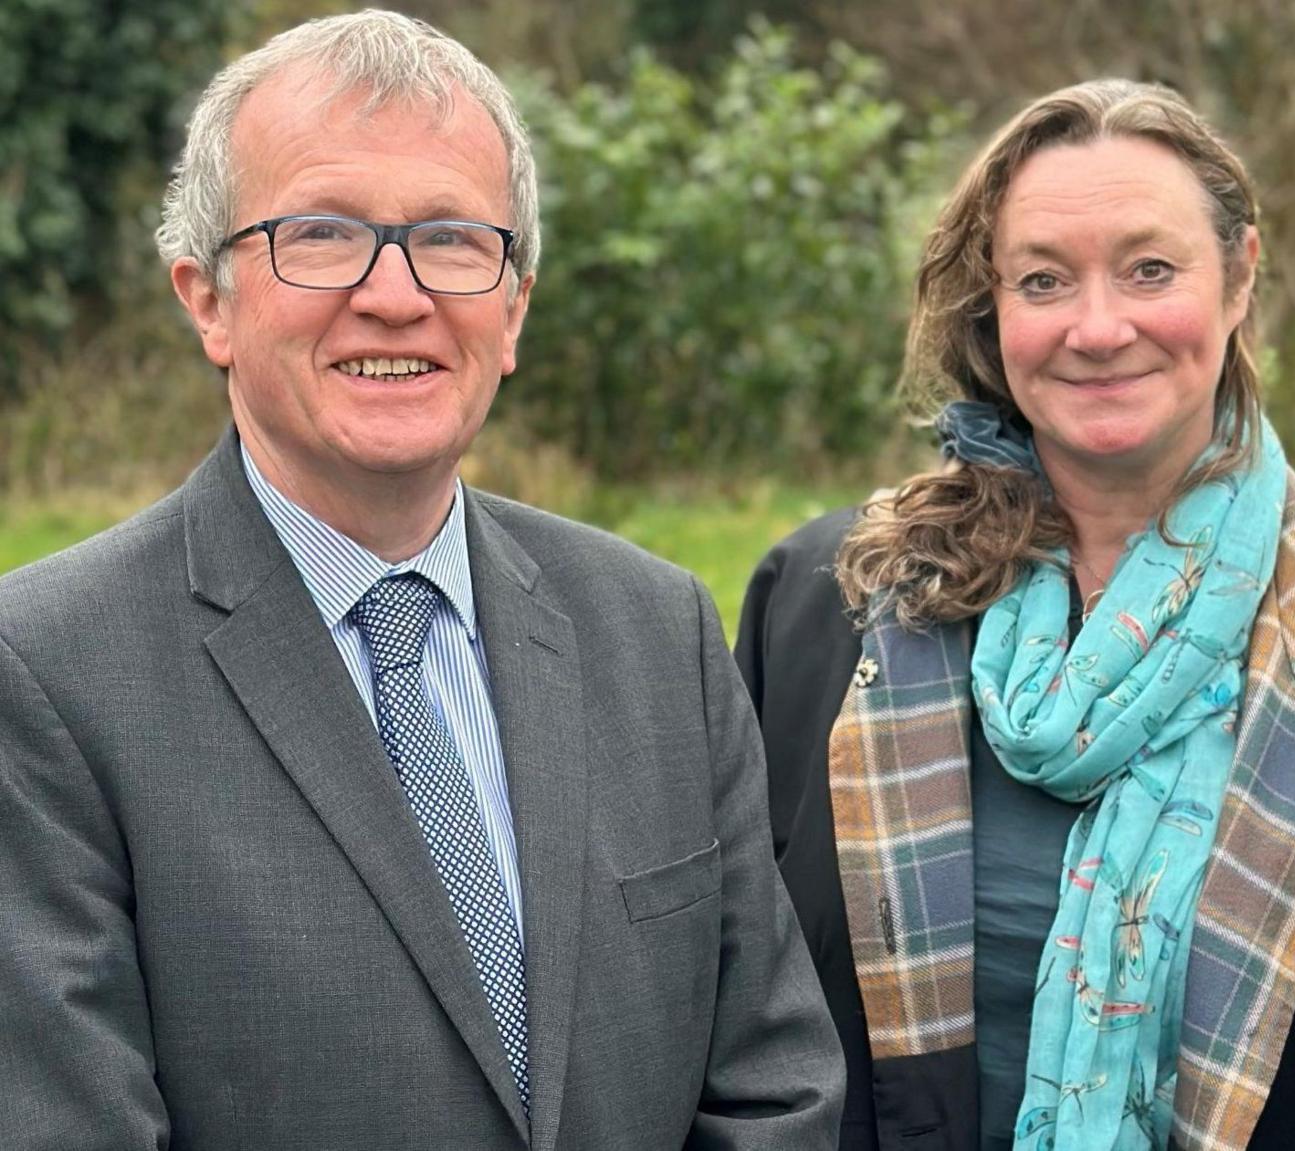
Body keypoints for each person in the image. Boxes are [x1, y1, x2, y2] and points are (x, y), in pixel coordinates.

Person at [0, 12, 842, 1149]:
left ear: (514, 306)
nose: (394, 295)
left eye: (450, 238)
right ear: (207, 297)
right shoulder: (47, 672)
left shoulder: (658, 629)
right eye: (322, 234)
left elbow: (773, 1091)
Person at [736, 79, 1295, 1151]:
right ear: (992, 309)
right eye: (1042, 279)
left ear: (1239, 278)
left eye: (1149, 269)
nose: (1096, 325)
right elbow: (731, 1014)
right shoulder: (834, 608)